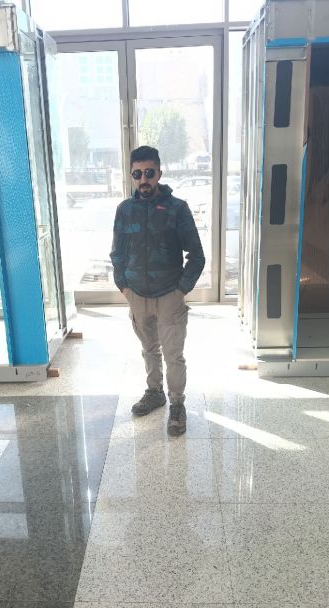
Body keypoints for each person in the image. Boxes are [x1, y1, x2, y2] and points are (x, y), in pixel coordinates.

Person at [110, 146, 205, 435]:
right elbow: (117, 254)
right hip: (137, 295)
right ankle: (155, 393)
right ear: (132, 175)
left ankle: (177, 404)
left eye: (149, 173)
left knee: (173, 355)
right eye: (137, 174)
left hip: (169, 295)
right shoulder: (125, 210)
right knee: (149, 349)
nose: (144, 179)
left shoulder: (177, 209)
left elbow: (197, 256)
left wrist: (181, 290)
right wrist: (124, 287)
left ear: (159, 174)